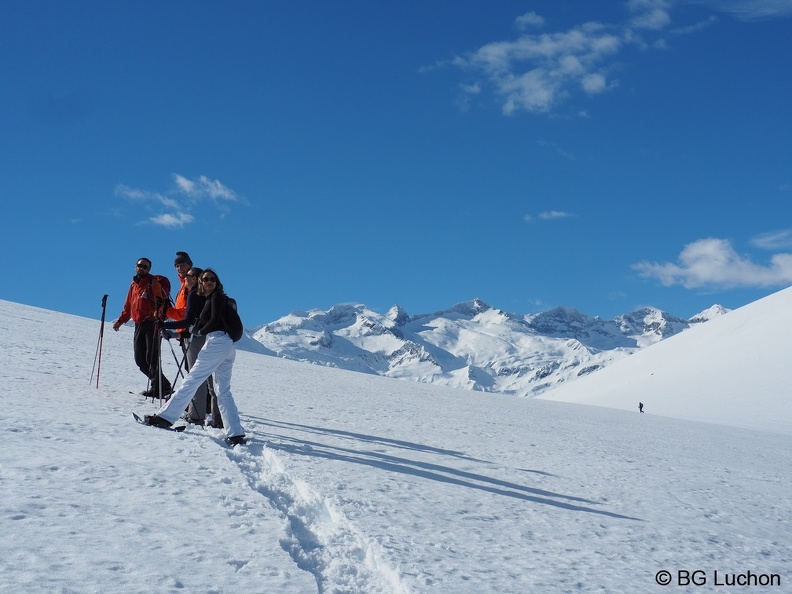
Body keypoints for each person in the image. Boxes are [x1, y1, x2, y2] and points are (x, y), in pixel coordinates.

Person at [144, 268, 245, 445]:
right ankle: (235, 433)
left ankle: (166, 417)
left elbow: (212, 322)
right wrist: (173, 328)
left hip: (217, 342)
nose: (209, 282)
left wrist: (199, 330)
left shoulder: (216, 297)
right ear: (201, 282)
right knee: (222, 389)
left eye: (213, 279)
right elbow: (194, 322)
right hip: (227, 345)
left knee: (192, 379)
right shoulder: (211, 300)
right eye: (206, 279)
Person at [159, 267, 219, 426]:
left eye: (189, 275)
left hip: (198, 340)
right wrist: (175, 333)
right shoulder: (215, 296)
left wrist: (167, 325)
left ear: (195, 278)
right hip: (217, 339)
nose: (185, 277)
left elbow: (191, 322)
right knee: (215, 381)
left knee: (195, 377)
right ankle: (218, 418)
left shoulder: (194, 294)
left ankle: (195, 416)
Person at [112, 257, 172, 397]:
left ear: (149, 269)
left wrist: (157, 316)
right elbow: (128, 306)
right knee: (140, 360)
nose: (142, 268)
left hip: (152, 324)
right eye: (140, 265)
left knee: (151, 359)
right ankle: (162, 385)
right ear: (135, 267)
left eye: (145, 267)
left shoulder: (153, 283)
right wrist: (121, 321)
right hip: (139, 324)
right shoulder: (134, 284)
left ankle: (159, 388)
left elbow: (160, 303)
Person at [167, 251, 193, 351]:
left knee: (195, 365)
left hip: (190, 332)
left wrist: (166, 311)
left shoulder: (191, 286)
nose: (179, 269)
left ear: (189, 265)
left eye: (182, 265)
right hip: (184, 332)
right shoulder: (183, 286)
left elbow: (186, 313)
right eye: (177, 266)